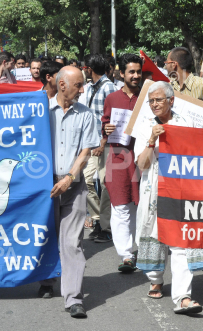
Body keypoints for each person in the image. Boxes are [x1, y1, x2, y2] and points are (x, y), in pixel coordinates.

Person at [133, 81, 202, 314]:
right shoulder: (144, 125)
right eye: (151, 101)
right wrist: (151, 140)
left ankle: (183, 297)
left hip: (181, 189)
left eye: (158, 100)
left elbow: (198, 155)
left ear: (171, 101)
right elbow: (141, 165)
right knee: (153, 233)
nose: (154, 105)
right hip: (152, 189)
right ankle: (156, 277)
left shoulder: (186, 123)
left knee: (180, 241)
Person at [38, 66, 99, 319]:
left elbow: (85, 153)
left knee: (72, 243)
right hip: (43, 187)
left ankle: (74, 297)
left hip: (74, 187)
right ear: (62, 85)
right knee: (46, 236)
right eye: (78, 85)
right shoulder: (39, 111)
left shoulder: (86, 115)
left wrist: (70, 178)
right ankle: (47, 280)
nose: (83, 89)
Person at [101, 54, 142, 272]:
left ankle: (143, 249)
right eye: (131, 72)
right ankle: (126, 255)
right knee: (120, 206)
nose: (135, 76)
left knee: (141, 205)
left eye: (138, 71)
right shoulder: (112, 99)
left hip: (144, 158)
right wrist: (105, 130)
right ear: (122, 74)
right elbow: (105, 125)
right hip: (118, 159)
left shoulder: (147, 98)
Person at [82, 54, 117, 242]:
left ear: (89, 69)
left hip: (105, 144)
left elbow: (111, 119)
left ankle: (106, 226)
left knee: (105, 184)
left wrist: (103, 143)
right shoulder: (89, 88)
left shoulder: (108, 87)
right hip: (91, 143)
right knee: (85, 181)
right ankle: (97, 219)